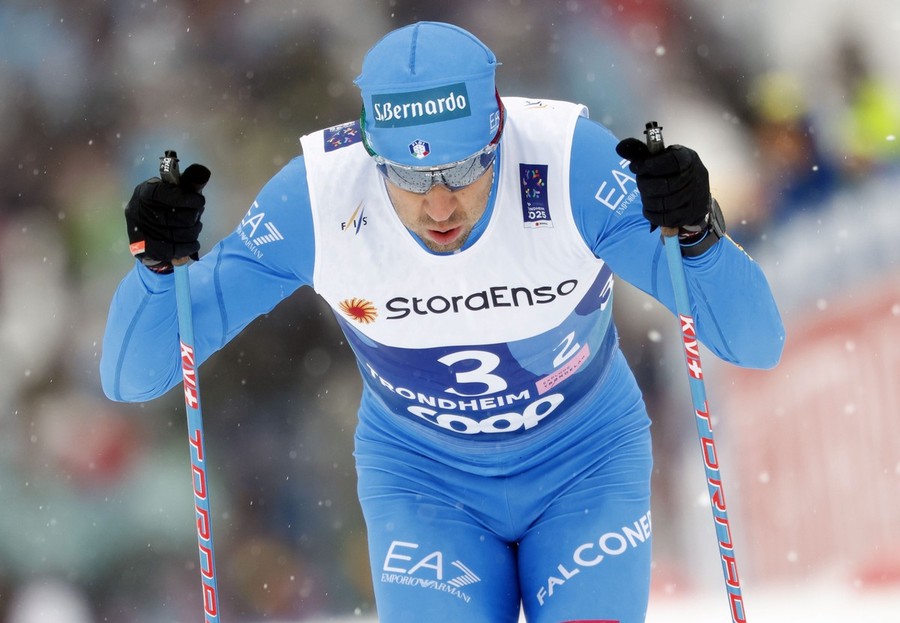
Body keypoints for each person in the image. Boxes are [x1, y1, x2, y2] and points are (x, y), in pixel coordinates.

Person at [100, 21, 784, 623]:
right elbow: (134, 377)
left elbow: (753, 342)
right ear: (371, 154)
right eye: (407, 175)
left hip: (584, 463)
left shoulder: (570, 162)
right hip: (426, 482)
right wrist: (158, 272)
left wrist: (697, 234)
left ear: (498, 132)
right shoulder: (317, 196)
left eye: (462, 167)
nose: (439, 203)